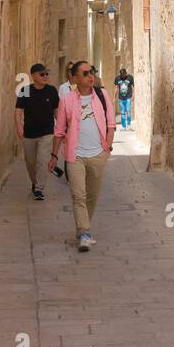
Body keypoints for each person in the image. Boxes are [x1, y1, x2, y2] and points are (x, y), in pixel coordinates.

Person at [48, 59, 115, 251]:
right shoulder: (67, 100)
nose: (90, 76)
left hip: (98, 155)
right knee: (78, 195)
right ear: (75, 78)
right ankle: (85, 232)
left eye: (91, 72)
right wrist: (54, 155)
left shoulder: (103, 95)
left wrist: (107, 149)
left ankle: (82, 226)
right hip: (75, 155)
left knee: (92, 196)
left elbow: (111, 124)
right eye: (85, 73)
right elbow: (60, 131)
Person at [16, 63, 59, 200]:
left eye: (47, 73)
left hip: (47, 133)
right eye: (42, 74)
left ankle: (39, 188)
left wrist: (62, 128)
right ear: (33, 76)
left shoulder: (52, 90)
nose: (45, 76)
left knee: (42, 160)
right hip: (29, 133)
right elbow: (18, 111)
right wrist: (19, 126)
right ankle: (35, 183)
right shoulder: (25, 90)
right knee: (30, 162)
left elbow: (57, 111)